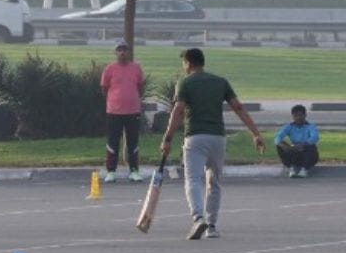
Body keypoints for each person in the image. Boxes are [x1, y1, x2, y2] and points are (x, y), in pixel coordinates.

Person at [160, 48, 266, 240]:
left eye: (183, 63)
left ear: (189, 63)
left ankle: (198, 217)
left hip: (195, 137)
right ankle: (212, 226)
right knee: (214, 182)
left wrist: (167, 138)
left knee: (192, 179)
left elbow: (178, 111)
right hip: (218, 138)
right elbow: (238, 107)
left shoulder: (185, 83)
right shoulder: (220, 82)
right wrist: (255, 133)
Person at [101, 41, 145, 182]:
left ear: (128, 52)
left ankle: (134, 170)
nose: (122, 53)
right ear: (115, 53)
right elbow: (104, 88)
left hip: (133, 111)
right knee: (113, 141)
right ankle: (111, 171)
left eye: (125, 50)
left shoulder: (136, 68)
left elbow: (140, 87)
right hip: (114, 112)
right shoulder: (109, 69)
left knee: (133, 141)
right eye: (119, 50)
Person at [274, 104, 320, 178]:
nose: (298, 118)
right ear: (292, 116)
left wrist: (303, 144)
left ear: (305, 115)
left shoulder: (310, 126)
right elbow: (277, 137)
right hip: (295, 153)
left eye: (300, 115)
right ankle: (291, 169)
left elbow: (315, 137)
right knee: (280, 144)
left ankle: (304, 170)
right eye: (296, 116)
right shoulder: (289, 127)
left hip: (308, 154)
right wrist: (283, 146)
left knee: (311, 146)